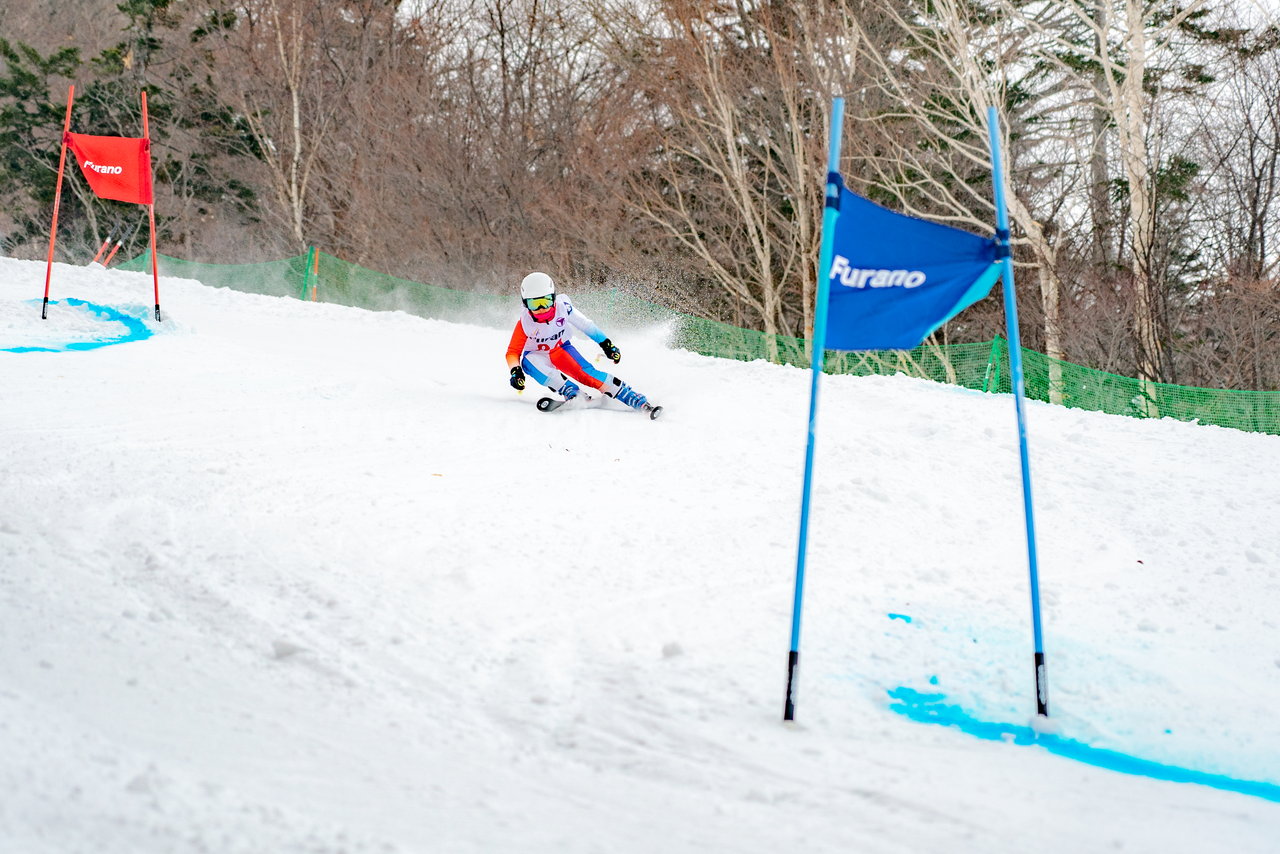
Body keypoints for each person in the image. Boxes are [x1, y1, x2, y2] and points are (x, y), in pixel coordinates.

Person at [505, 272, 651, 410]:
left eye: (546, 301)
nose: (542, 308)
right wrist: (515, 371)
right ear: (525, 304)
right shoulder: (525, 322)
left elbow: (585, 325)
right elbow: (513, 352)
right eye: (534, 304)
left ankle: (631, 396)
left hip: (561, 350)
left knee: (586, 374)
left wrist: (606, 344)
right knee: (527, 362)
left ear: (554, 297)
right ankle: (572, 392)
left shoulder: (563, 308)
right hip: (538, 355)